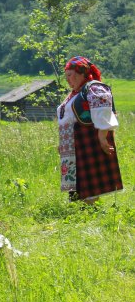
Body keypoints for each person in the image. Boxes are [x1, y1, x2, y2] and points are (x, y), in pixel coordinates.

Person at [57, 56, 123, 203]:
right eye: (66, 76)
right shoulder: (76, 92)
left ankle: (89, 210)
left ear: (81, 73)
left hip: (87, 140)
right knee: (77, 180)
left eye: (70, 75)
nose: (67, 79)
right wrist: (63, 143)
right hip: (74, 141)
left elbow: (103, 110)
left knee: (89, 180)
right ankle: (83, 210)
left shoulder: (94, 88)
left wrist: (102, 136)